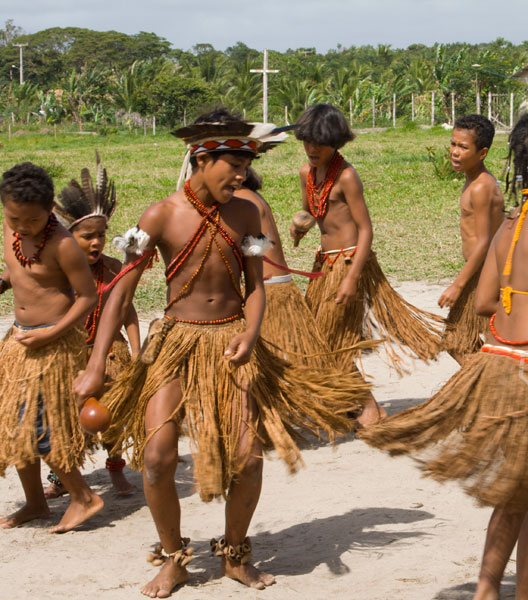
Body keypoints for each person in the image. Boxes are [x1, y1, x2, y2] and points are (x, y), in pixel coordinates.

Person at [73, 110, 368, 597]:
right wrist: (94, 364)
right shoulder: (160, 215)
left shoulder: (247, 214)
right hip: (175, 344)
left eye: (246, 165)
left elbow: (255, 285)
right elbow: (121, 294)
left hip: (231, 342)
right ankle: (173, 559)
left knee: (249, 460)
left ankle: (234, 554)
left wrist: (252, 333)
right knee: (157, 459)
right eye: (232, 165)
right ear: (202, 158)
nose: (241, 174)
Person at [362, 111, 528, 600]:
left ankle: (487, 590)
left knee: (514, 493)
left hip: (499, 362)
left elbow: (487, 302)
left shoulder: (514, 221)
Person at [289, 103, 443, 426]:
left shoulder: (346, 176)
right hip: (324, 267)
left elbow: (366, 230)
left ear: (336, 142)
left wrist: (351, 277)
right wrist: (299, 225)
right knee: (318, 338)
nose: (312, 149)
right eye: (307, 141)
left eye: (320, 143)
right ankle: (350, 403)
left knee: (335, 340)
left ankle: (369, 409)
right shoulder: (306, 172)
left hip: (349, 264)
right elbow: (308, 210)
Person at [0, 162, 104, 533]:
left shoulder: (63, 245)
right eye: (14, 218)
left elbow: (88, 298)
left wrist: (51, 333)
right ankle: (35, 502)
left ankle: (83, 497)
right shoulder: (11, 229)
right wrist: (4, 281)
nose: (23, 226)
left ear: (49, 211)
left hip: (53, 345)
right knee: (14, 425)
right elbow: (21, 270)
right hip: (20, 340)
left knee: (43, 427)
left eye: (32, 219)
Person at [42, 152, 139, 499]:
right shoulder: (61, 272)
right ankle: (59, 476)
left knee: (112, 415)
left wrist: (137, 351)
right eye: (87, 236)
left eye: (101, 235)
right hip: (71, 355)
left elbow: (127, 312)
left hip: (110, 353)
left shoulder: (113, 268)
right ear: (71, 238)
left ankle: (115, 468)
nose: (96, 242)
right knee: (64, 418)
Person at [235, 167, 331, 360]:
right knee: (309, 360)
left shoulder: (240, 200)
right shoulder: (251, 196)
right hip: (280, 286)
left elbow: (249, 252)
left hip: (267, 290)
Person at [439, 114, 505, 363]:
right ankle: (487, 388)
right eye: (453, 144)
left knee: (467, 340)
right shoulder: (473, 181)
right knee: (458, 341)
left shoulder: (481, 186)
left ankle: (491, 390)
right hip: (478, 271)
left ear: (483, 153)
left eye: (463, 147)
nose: (455, 152)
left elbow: (484, 242)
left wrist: (457, 285)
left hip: (487, 273)